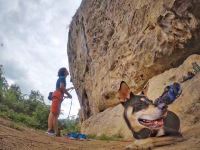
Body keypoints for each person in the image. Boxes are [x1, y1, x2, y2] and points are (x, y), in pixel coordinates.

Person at [47, 67, 74, 136]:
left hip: (57, 96)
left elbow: (61, 88)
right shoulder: (62, 78)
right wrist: (69, 95)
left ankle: (54, 131)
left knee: (54, 113)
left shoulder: (61, 78)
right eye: (67, 70)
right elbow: (62, 88)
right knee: (54, 114)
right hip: (57, 96)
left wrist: (69, 89)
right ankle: (51, 130)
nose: (68, 71)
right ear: (64, 72)